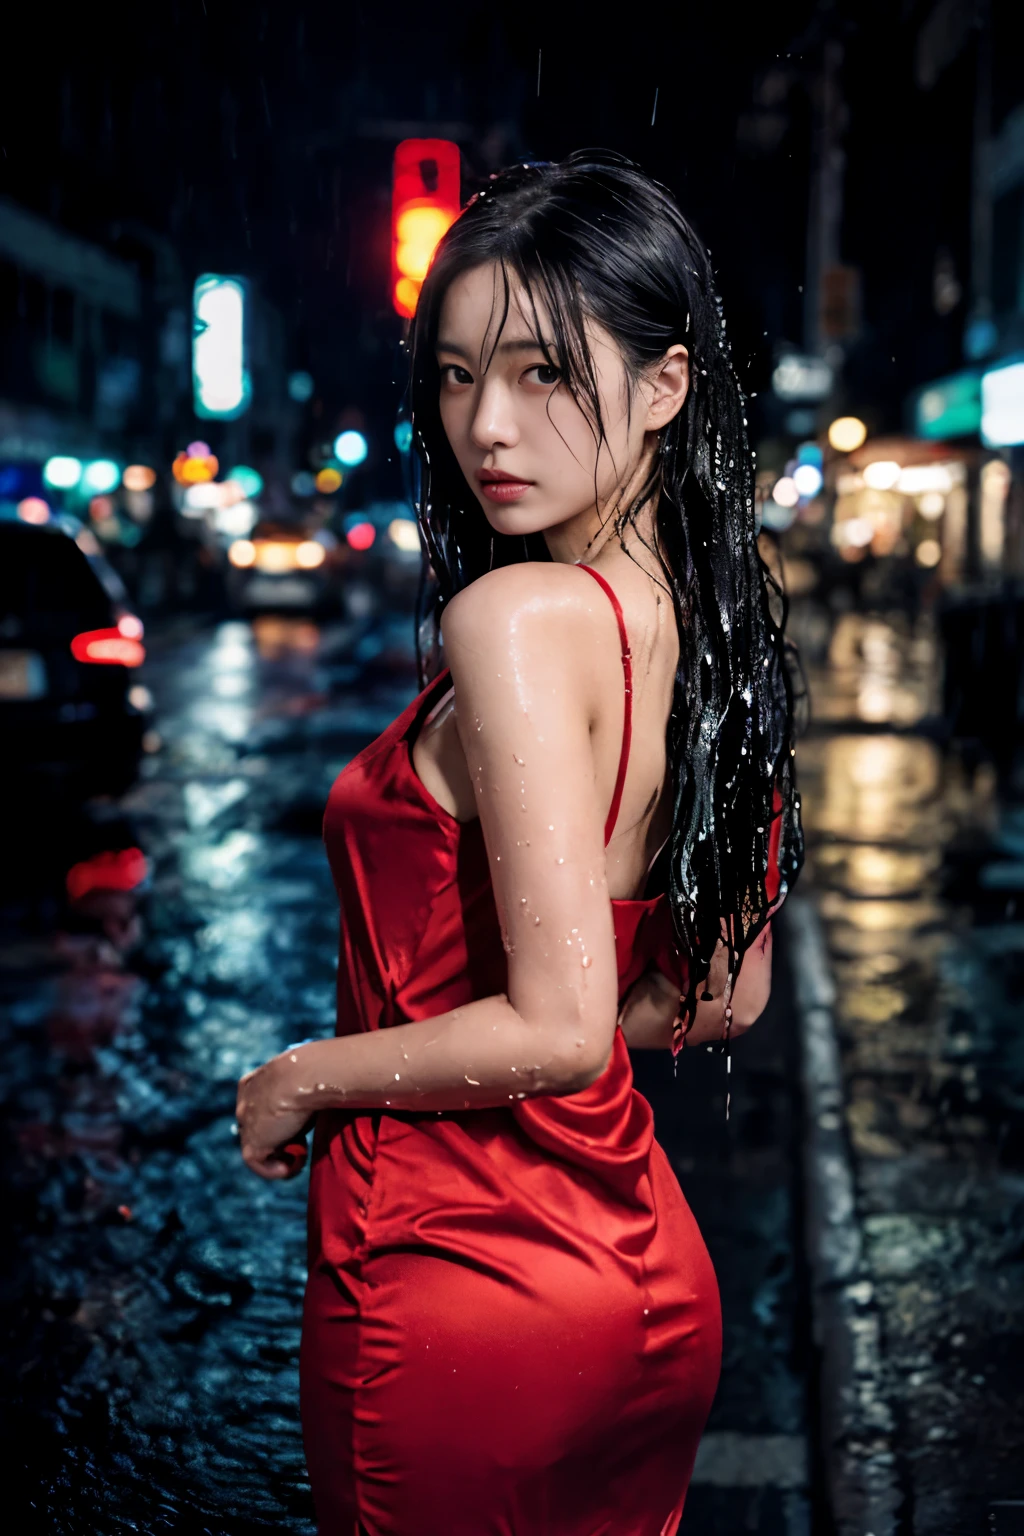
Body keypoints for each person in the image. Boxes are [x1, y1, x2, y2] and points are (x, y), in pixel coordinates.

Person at [237, 151, 802, 1536]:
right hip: (647, 1281)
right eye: (454, 372)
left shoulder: (518, 620)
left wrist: (298, 1079)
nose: (486, 422)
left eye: (547, 371)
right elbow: (722, 996)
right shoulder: (714, 623)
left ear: (664, 385)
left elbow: (556, 1030)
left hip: (452, 1281)